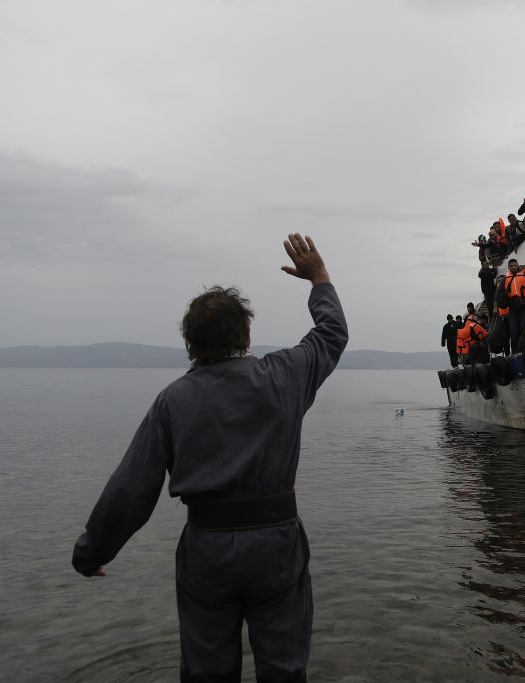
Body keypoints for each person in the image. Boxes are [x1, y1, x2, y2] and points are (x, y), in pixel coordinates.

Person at [71, 233, 348, 682]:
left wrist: (92, 552)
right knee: (284, 670)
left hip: (207, 550)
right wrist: (319, 279)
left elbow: (131, 489)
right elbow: (331, 334)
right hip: (276, 545)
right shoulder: (285, 375)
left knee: (207, 673)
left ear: (190, 343)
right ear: (246, 334)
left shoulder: (173, 400)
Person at [503, 258, 525, 354]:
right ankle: (514, 351)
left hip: (524, 305)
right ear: (508, 267)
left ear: (518, 265)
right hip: (512, 307)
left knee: (522, 327)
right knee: (513, 330)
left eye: (515, 265)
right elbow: (498, 293)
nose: (513, 267)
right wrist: (497, 306)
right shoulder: (505, 278)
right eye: (511, 266)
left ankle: (523, 348)